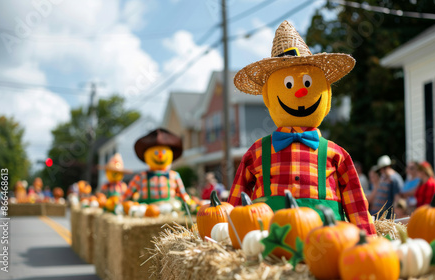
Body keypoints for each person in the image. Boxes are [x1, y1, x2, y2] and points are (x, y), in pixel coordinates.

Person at [228, 21, 375, 234]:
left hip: (327, 243)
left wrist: (367, 238)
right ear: (268, 96)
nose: (300, 93)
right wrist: (225, 234)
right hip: (273, 244)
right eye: (288, 85)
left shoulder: (336, 154)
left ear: (327, 93)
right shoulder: (257, 152)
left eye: (308, 84)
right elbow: (236, 200)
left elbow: (356, 203)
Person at [123, 128, 193, 206]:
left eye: (163, 152)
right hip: (147, 208)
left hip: (169, 206)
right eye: (156, 152)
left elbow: (183, 194)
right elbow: (127, 194)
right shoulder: (141, 176)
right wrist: (119, 204)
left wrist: (190, 203)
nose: (160, 156)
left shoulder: (174, 176)